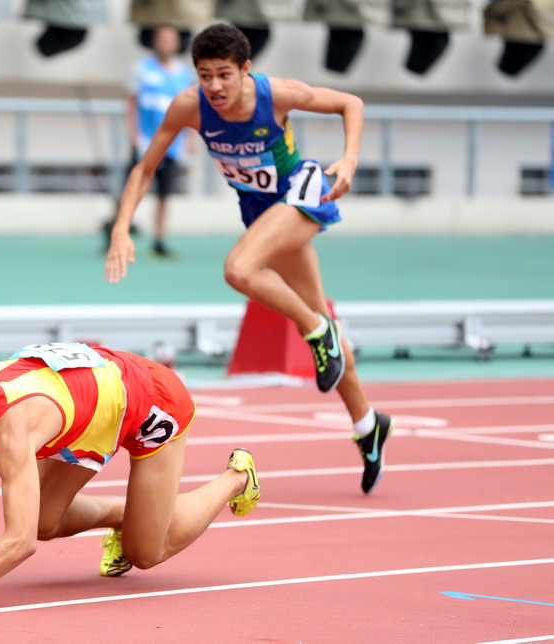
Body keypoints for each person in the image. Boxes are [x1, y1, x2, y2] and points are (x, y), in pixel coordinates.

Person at [105, 24, 392, 495]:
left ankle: (316, 333)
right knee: (321, 320)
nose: (214, 86)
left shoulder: (276, 94)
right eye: (204, 75)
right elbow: (145, 167)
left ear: (245, 70)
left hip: (301, 191)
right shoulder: (188, 106)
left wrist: (351, 159)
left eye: (224, 74)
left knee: (239, 270)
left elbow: (350, 103)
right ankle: (367, 423)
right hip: (260, 211)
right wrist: (121, 226)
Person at [0, 342, 261, 611]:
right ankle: (128, 516)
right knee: (43, 518)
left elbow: (20, 544)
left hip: (150, 402)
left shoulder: (10, 431)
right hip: (89, 405)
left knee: (146, 551)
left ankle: (236, 478)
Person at [106, 25, 194, 258]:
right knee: (131, 188)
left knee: (165, 194)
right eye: (162, 39)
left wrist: (191, 137)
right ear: (154, 42)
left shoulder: (184, 73)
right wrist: (134, 135)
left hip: (172, 145)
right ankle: (117, 232)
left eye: (171, 39)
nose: (166, 44)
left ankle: (159, 240)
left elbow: (191, 109)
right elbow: (131, 103)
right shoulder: (140, 69)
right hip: (146, 141)